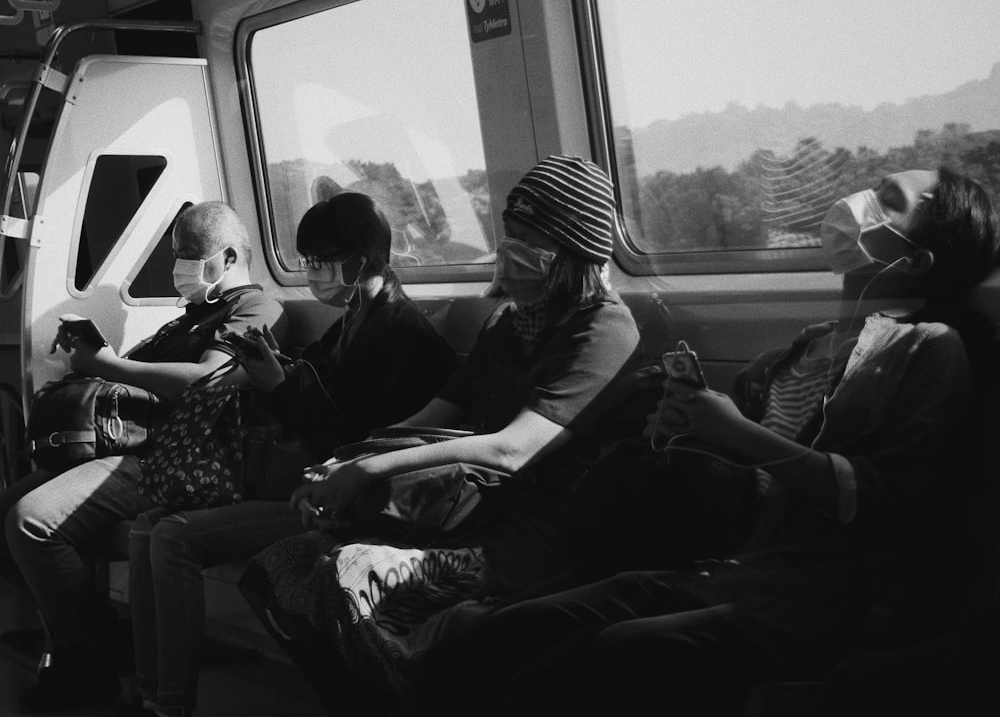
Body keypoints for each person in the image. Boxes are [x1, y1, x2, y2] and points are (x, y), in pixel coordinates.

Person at [395, 167, 1000, 717]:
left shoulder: (928, 349)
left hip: (796, 599)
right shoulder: (798, 350)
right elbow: (752, 489)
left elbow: (876, 497)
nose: (857, 202)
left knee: (572, 670)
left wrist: (734, 431)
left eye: (887, 201)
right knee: (495, 639)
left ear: (917, 260)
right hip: (719, 565)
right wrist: (690, 428)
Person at [239, 154, 645, 712]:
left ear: (569, 247)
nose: (510, 249)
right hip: (471, 511)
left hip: (536, 538)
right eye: (510, 234)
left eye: (529, 236)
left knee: (346, 576)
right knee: (276, 571)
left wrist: (368, 469)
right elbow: (434, 414)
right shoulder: (508, 324)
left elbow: (514, 449)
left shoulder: (603, 328)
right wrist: (341, 464)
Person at [126, 191, 457, 717]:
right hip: (311, 478)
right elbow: (316, 388)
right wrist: (274, 368)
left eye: (321, 261)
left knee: (173, 536)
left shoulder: (400, 337)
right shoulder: (353, 322)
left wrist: (278, 386)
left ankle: (171, 704)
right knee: (146, 524)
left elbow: (354, 440)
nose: (312, 273)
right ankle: (147, 690)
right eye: (306, 262)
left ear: (361, 260)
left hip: (351, 495)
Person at [1, 201, 288, 712]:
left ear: (224, 258)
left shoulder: (255, 310)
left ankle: (87, 656)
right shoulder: (191, 317)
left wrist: (108, 364)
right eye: (176, 255)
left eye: (189, 256)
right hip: (132, 444)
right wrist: (97, 357)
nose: (179, 269)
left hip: (173, 457)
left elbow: (205, 381)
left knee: (32, 521)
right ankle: (94, 639)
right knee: (7, 506)